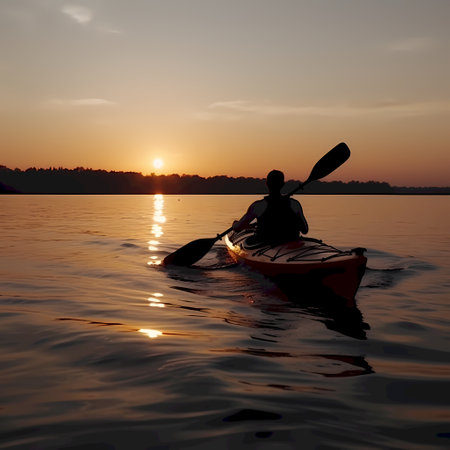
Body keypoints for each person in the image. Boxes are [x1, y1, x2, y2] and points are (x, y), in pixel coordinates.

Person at [232, 169, 308, 245]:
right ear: (283, 184)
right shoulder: (295, 204)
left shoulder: (258, 206)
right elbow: (305, 230)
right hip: (290, 240)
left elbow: (237, 227)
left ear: (267, 184)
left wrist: (235, 224)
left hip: (266, 242)